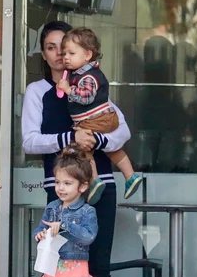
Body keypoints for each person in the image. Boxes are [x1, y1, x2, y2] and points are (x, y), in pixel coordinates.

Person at [14, 21, 131, 277]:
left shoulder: (92, 83)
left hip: (100, 187)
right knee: (57, 266)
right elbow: (30, 140)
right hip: (61, 192)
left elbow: (120, 129)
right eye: (52, 48)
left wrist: (97, 140)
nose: (60, 55)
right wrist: (69, 139)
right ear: (44, 53)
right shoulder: (39, 91)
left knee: (98, 267)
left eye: (65, 48)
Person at [56, 27, 142, 202]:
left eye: (71, 53)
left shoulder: (88, 76)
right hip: (102, 118)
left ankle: (95, 180)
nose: (66, 57)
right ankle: (130, 175)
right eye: (64, 53)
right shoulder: (79, 74)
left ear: (87, 55)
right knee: (114, 150)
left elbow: (86, 97)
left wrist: (67, 89)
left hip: (95, 119)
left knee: (82, 147)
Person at [33, 146, 100, 277]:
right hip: (54, 275)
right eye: (58, 182)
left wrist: (65, 225)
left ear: (82, 186)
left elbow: (89, 237)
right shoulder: (52, 207)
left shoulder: (88, 211)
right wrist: (40, 234)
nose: (61, 188)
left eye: (67, 183)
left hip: (75, 276)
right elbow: (41, 227)